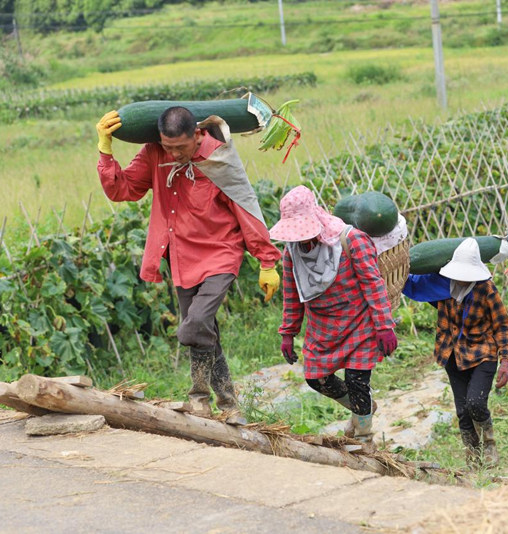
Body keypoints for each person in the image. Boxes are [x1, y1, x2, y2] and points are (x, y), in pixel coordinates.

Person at [95, 107, 282, 425]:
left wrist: (267, 261)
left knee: (194, 325)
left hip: (221, 253)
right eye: (168, 147)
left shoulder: (218, 156)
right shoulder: (155, 153)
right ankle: (226, 405)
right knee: (205, 330)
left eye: (180, 147)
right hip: (181, 257)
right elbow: (122, 189)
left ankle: (198, 396)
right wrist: (105, 149)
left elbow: (245, 206)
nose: (174, 154)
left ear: (196, 134)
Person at [269, 185, 397, 448]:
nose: (302, 241)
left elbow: (373, 284)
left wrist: (384, 326)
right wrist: (288, 332)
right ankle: (365, 408)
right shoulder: (291, 253)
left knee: (356, 380)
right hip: (323, 327)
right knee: (316, 378)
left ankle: (364, 441)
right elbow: (292, 293)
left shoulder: (352, 241)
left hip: (359, 323)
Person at [402, 238, 508, 467]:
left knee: (475, 403)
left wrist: (505, 361)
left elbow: (502, 324)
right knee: (463, 410)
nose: (462, 279)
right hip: (452, 354)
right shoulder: (442, 287)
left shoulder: (485, 289)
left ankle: (489, 445)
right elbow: (415, 286)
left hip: (483, 353)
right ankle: (473, 454)